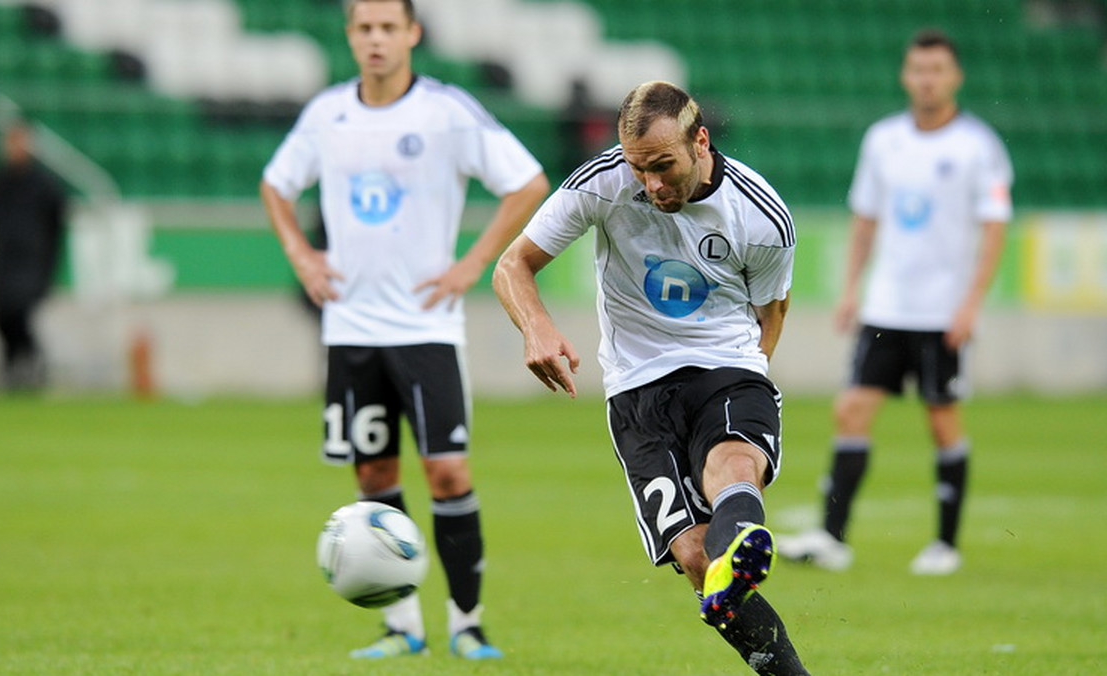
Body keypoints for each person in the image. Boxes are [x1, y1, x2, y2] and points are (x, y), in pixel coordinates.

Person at [259, 0, 549, 660]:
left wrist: (474, 262)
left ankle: (467, 621)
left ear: (413, 33)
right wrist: (302, 256)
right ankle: (402, 626)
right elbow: (276, 185)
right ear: (350, 36)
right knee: (372, 477)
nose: (376, 40)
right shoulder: (326, 114)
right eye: (365, 28)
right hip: (350, 331)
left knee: (447, 471)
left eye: (389, 27)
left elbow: (528, 182)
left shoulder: (446, 112)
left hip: (427, 330)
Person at [492, 81, 809, 675]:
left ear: (701, 142)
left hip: (727, 364)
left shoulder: (762, 216)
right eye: (640, 170)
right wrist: (536, 329)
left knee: (734, 466)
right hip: (638, 387)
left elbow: (773, 314)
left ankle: (739, 539)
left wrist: (752, 382)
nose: (651, 185)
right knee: (694, 556)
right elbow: (514, 265)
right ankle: (734, 576)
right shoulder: (603, 183)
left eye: (663, 167)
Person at [776, 29, 1013, 576]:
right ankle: (832, 538)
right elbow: (865, 221)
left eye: (937, 70)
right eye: (918, 69)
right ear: (906, 75)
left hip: (942, 312)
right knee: (851, 410)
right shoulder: (883, 139)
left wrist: (971, 304)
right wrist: (850, 289)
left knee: (941, 419)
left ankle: (945, 545)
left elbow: (994, 229)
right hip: (885, 306)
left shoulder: (978, 146)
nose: (927, 79)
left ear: (955, 77)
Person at [0, 120, 67, 390]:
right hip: (4, 259)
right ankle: (12, 366)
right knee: (0, 316)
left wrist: (49, 264)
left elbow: (57, 222)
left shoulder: (44, 184)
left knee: (20, 311)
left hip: (32, 260)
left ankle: (31, 359)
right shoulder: (1, 180)